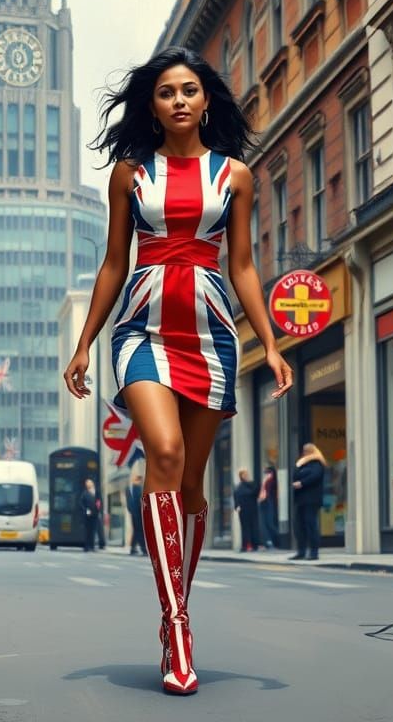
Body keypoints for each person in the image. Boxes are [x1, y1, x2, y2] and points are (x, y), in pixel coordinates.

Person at [63, 46, 292, 695]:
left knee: (191, 485)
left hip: (212, 335)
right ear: (154, 106)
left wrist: (270, 345)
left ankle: (172, 619)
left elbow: (243, 266)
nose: (180, 100)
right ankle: (179, 623)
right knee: (161, 451)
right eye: (166, 92)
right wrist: (85, 344)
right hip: (141, 329)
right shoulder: (130, 176)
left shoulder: (237, 177)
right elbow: (114, 262)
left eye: (189, 89)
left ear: (206, 101)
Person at [291, 444, 325, 561]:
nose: (305, 452)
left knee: (310, 525)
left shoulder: (317, 463)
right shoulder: (301, 463)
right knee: (299, 526)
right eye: (304, 450)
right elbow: (295, 475)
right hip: (300, 499)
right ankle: (301, 551)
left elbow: (315, 476)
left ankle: (314, 552)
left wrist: (302, 482)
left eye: (307, 450)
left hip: (312, 499)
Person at [233, 469, 260, 552]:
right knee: (245, 527)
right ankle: (246, 545)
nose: (246, 476)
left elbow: (255, 492)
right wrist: (237, 506)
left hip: (252, 509)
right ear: (241, 476)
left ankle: (254, 544)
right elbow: (236, 497)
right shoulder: (239, 487)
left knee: (253, 526)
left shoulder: (251, 485)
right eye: (244, 475)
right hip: (243, 510)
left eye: (247, 474)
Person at [126, 472, 147, 555]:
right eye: (139, 480)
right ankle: (143, 549)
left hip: (136, 513)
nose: (139, 482)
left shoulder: (130, 488)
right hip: (138, 513)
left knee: (136, 530)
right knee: (140, 530)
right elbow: (138, 501)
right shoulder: (136, 488)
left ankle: (133, 548)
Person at [258, 464, 278, 550]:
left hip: (270, 502)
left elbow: (271, 491)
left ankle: (277, 540)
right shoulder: (266, 480)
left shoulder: (272, 481)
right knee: (264, 523)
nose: (266, 474)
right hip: (264, 502)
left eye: (268, 472)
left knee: (270, 523)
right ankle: (268, 542)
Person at [79, 478, 100, 552]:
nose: (88, 484)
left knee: (93, 531)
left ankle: (92, 546)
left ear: (92, 484)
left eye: (89, 483)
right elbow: (81, 504)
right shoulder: (84, 494)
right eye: (87, 483)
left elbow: (99, 502)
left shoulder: (97, 492)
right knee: (87, 531)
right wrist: (86, 511)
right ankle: (86, 547)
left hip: (95, 514)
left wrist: (98, 509)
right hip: (87, 515)